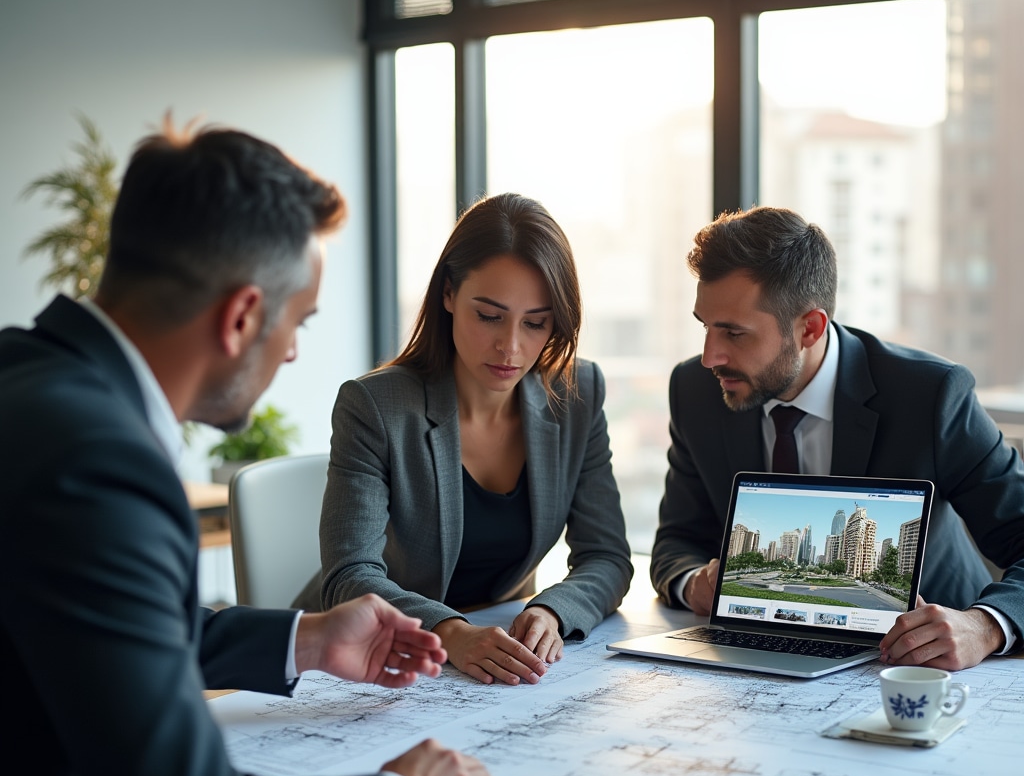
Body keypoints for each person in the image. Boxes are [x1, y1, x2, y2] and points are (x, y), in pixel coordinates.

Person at [0, 121, 501, 776]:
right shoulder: (105, 463)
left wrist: (304, 641)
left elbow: (81, 627)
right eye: (297, 322)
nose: (295, 349)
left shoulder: (24, 380)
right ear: (240, 317)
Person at [650, 206, 1024, 672]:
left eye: (733, 333)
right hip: (752, 661)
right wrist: (693, 582)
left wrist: (985, 626)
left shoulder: (930, 396)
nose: (710, 356)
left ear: (810, 327)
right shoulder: (695, 390)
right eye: (705, 326)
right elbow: (675, 540)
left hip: (921, 668)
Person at [317, 193, 633, 686]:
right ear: (448, 294)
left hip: (496, 657)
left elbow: (608, 556)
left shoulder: (577, 392)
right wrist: (453, 633)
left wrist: (552, 610)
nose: (511, 346)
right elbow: (348, 576)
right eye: (489, 316)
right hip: (372, 654)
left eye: (536, 323)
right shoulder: (374, 406)